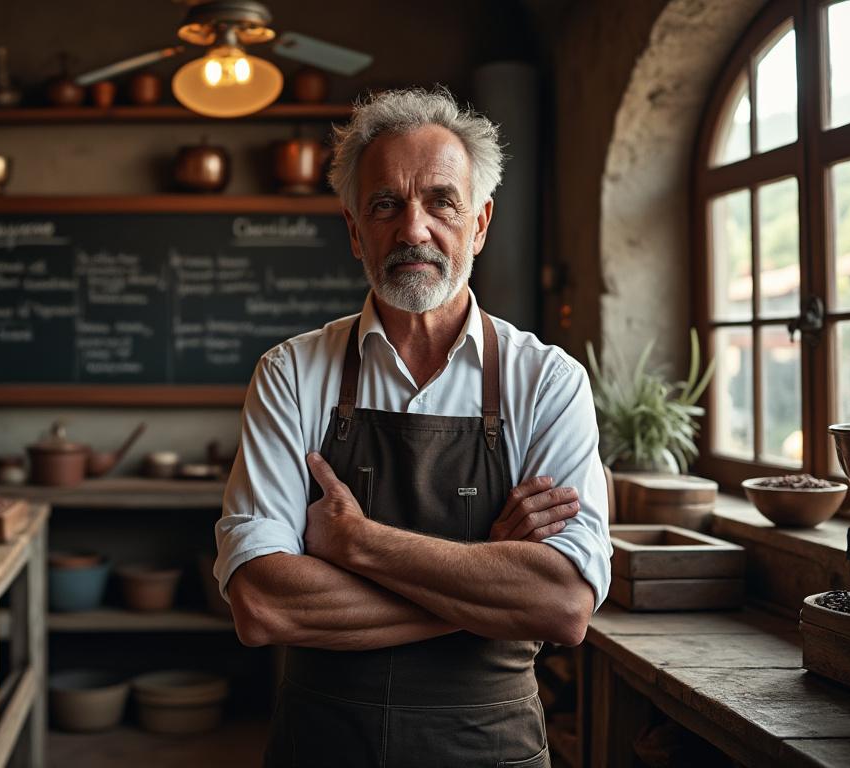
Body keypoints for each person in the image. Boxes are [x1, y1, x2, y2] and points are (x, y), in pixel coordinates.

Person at [213, 86, 612, 768]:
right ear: (353, 230)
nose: (413, 230)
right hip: (322, 745)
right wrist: (487, 581)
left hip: (490, 748)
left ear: (480, 224)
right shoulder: (289, 373)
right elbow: (263, 606)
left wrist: (358, 543)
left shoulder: (547, 381)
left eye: (440, 201)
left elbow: (562, 603)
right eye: (385, 205)